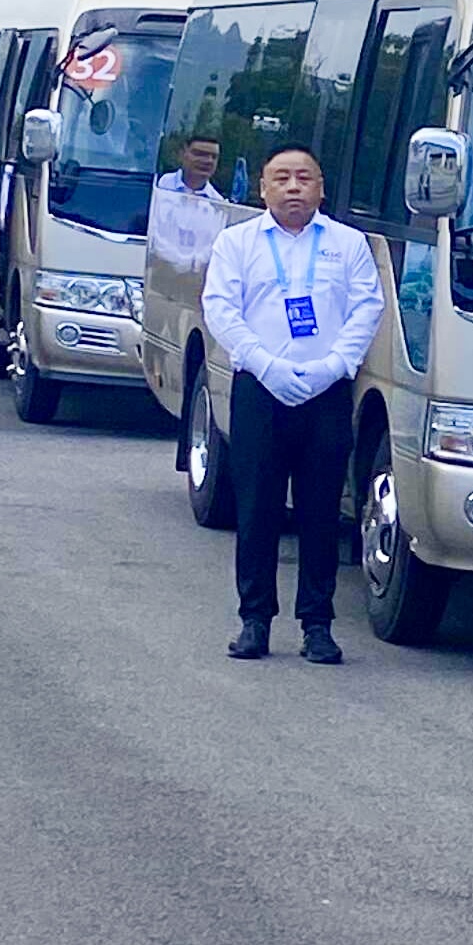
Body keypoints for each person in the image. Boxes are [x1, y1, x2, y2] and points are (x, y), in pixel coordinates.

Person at [200, 142, 383, 661]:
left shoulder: (348, 244)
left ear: (321, 188)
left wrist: (333, 366)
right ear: (263, 188)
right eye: (281, 178)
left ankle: (317, 625)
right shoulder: (237, 242)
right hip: (260, 389)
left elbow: (367, 308)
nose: (293, 187)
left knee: (321, 511)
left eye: (304, 177)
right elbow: (220, 307)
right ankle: (254, 620)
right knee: (257, 508)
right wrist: (264, 364)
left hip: (326, 393)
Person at [149, 133, 236, 275]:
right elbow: (152, 234)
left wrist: (189, 266)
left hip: (195, 278)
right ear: (183, 154)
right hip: (154, 271)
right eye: (200, 154)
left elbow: (213, 248)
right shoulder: (158, 187)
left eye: (213, 157)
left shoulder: (219, 205)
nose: (207, 161)